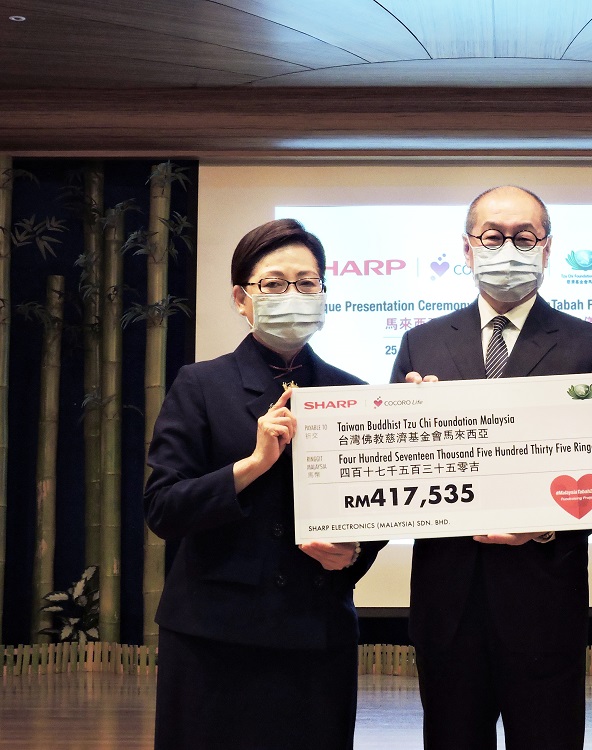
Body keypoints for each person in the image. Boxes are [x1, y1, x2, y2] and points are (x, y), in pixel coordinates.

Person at [390, 185, 592, 750]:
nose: (508, 250)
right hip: (447, 595)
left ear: (547, 250)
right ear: (467, 250)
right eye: (493, 238)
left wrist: (544, 523)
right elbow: (392, 466)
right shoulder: (421, 343)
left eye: (525, 238)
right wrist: (410, 418)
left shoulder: (590, 344)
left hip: (544, 596)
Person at [145, 218, 385, 749]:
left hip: (316, 634)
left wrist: (353, 553)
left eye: (307, 283)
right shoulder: (201, 385)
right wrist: (252, 464)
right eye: (273, 284)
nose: (292, 296)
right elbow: (163, 509)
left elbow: (375, 515)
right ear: (240, 298)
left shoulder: (355, 392)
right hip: (213, 637)